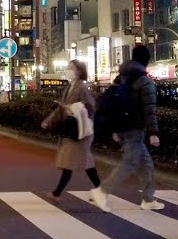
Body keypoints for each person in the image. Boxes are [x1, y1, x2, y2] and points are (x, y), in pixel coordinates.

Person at [96, 44, 163, 212]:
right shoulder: (144, 81)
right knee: (129, 163)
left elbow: (113, 105)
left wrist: (114, 129)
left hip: (122, 128)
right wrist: (154, 133)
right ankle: (102, 191)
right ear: (146, 60)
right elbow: (150, 109)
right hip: (134, 128)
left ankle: (148, 199)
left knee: (146, 164)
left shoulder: (121, 77)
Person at [41, 59, 104, 206]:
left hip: (81, 131)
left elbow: (90, 106)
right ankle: (101, 191)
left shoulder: (82, 88)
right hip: (75, 130)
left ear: (79, 71)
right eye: (68, 68)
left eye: (71, 68)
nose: (68, 70)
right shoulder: (70, 87)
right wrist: (49, 120)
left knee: (72, 162)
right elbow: (61, 109)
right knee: (83, 163)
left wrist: (73, 108)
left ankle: (57, 193)